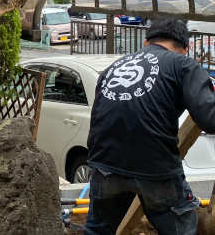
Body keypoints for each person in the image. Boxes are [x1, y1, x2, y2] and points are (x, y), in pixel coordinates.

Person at [84, 17, 215, 235]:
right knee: (180, 229)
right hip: (154, 167)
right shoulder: (182, 64)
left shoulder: (113, 68)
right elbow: (209, 118)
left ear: (147, 43)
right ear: (184, 49)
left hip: (104, 164)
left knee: (98, 230)